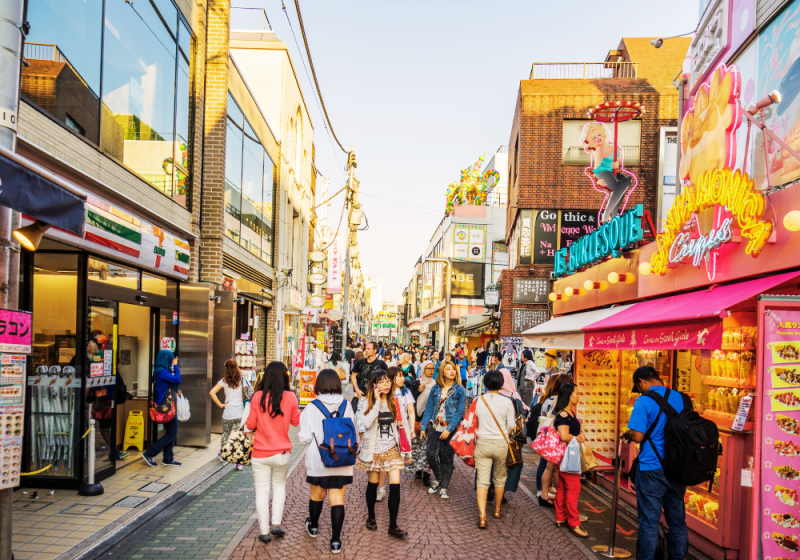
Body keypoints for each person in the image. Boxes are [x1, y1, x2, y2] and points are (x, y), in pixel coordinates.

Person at [621, 366, 688, 560]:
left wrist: (629, 434)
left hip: (652, 467)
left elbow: (638, 436)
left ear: (641, 382)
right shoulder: (680, 398)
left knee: (649, 522)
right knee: (677, 522)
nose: (639, 391)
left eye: (638, 387)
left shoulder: (644, 401)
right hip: (677, 468)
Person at [298, 369, 355, 554]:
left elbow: (305, 438)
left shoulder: (311, 407)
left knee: (317, 496)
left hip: (319, 459)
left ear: (319, 384)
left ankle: (313, 526)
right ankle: (336, 541)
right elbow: (352, 431)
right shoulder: (346, 405)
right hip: (342, 459)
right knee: (337, 500)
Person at [245, 361, 300, 544]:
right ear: (284, 377)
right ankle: (276, 523)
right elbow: (295, 421)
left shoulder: (257, 396)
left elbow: (250, 424)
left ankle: (264, 531)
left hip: (260, 452)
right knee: (279, 487)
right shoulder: (290, 397)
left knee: (261, 492)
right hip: (282, 452)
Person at [356, 369, 409, 539]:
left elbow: (403, 425)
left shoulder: (395, 401)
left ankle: (393, 525)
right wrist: (377, 403)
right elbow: (365, 423)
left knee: (395, 486)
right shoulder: (366, 401)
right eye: (381, 382)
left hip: (392, 449)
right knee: (372, 485)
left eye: (387, 381)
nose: (386, 385)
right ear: (374, 385)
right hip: (373, 450)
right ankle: (371, 516)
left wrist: (407, 450)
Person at [473, 369, 516, 528]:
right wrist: (504, 433)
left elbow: (472, 422)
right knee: (499, 477)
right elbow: (511, 425)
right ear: (501, 383)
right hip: (501, 443)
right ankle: (497, 510)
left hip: (482, 442)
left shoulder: (478, 400)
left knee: (482, 480)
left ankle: (482, 516)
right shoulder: (507, 402)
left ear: (485, 383)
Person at [420, 361, 466, 499]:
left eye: (453, 369)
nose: (452, 371)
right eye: (448, 369)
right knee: (430, 455)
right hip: (435, 426)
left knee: (447, 458)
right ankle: (439, 479)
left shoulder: (460, 390)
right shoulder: (436, 388)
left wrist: (449, 429)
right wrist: (423, 427)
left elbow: (459, 412)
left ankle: (444, 487)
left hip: (450, 429)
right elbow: (429, 408)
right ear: (442, 372)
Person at [553, 382, 588, 538]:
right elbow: (564, 436)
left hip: (566, 455)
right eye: (576, 393)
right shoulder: (564, 415)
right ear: (568, 395)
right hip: (568, 456)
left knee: (562, 487)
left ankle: (561, 517)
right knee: (573, 489)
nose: (578, 396)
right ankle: (574, 522)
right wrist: (578, 437)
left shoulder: (569, 413)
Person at [536, 373, 573, 505]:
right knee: (554, 467)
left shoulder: (548, 399)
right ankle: (555, 493)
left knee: (547, 465)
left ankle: (543, 491)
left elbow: (543, 413)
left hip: (549, 435)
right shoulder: (561, 402)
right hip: (556, 437)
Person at [142, 350, 182, 467]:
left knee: (171, 432)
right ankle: (150, 453)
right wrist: (176, 366)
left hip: (166, 407)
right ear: (166, 359)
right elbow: (177, 380)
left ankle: (168, 458)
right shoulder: (162, 372)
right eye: (170, 359)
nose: (171, 361)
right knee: (172, 433)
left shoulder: (158, 371)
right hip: (166, 408)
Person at [209, 359, 248, 470]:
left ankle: (223, 455)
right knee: (239, 437)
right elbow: (250, 393)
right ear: (237, 367)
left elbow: (212, 392)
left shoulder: (224, 381)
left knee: (226, 434)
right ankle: (239, 462)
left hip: (228, 413)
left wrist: (221, 405)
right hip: (240, 413)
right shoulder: (243, 380)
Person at [411, 360, 436, 485]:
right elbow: (410, 400)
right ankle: (418, 469)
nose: (430, 371)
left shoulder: (436, 385)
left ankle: (427, 473)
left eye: (432, 368)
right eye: (428, 368)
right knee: (417, 446)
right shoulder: (416, 383)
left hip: (430, 419)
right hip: (417, 419)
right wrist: (418, 391)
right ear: (422, 369)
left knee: (428, 447)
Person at [350, 341, 388, 411]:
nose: (366, 350)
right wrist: (357, 389)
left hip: (377, 397)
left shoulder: (381, 364)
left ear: (375, 350)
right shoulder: (360, 362)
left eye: (368, 349)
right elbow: (353, 376)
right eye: (366, 349)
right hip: (363, 396)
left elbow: (388, 379)